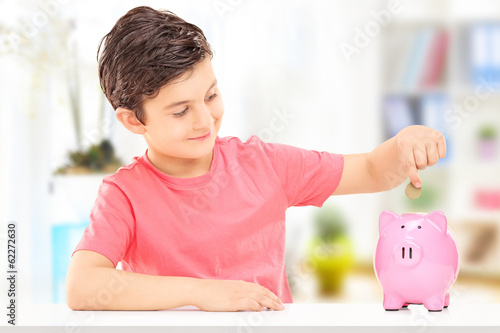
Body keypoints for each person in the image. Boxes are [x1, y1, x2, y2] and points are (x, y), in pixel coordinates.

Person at [65, 6, 446, 312]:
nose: (204, 120)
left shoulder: (263, 165)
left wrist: (403, 144)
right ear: (133, 119)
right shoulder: (124, 194)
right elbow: (83, 286)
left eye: (211, 96)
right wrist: (204, 294)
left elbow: (370, 170)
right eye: (180, 111)